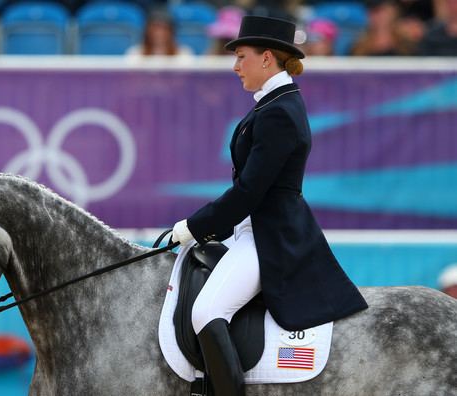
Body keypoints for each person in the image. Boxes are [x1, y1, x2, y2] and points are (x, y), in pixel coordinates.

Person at [170, 15, 368, 396]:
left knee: (206, 311)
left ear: (267, 59)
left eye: (241, 56)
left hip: (270, 235)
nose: (235, 65)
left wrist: (195, 226)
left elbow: (249, 192)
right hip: (254, 227)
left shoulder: (279, 112)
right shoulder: (273, 104)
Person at [125, 8, 193, 57]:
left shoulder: (183, 54)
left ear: (171, 32)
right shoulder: (135, 53)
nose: (158, 33)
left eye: (164, 28)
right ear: (147, 31)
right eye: (155, 28)